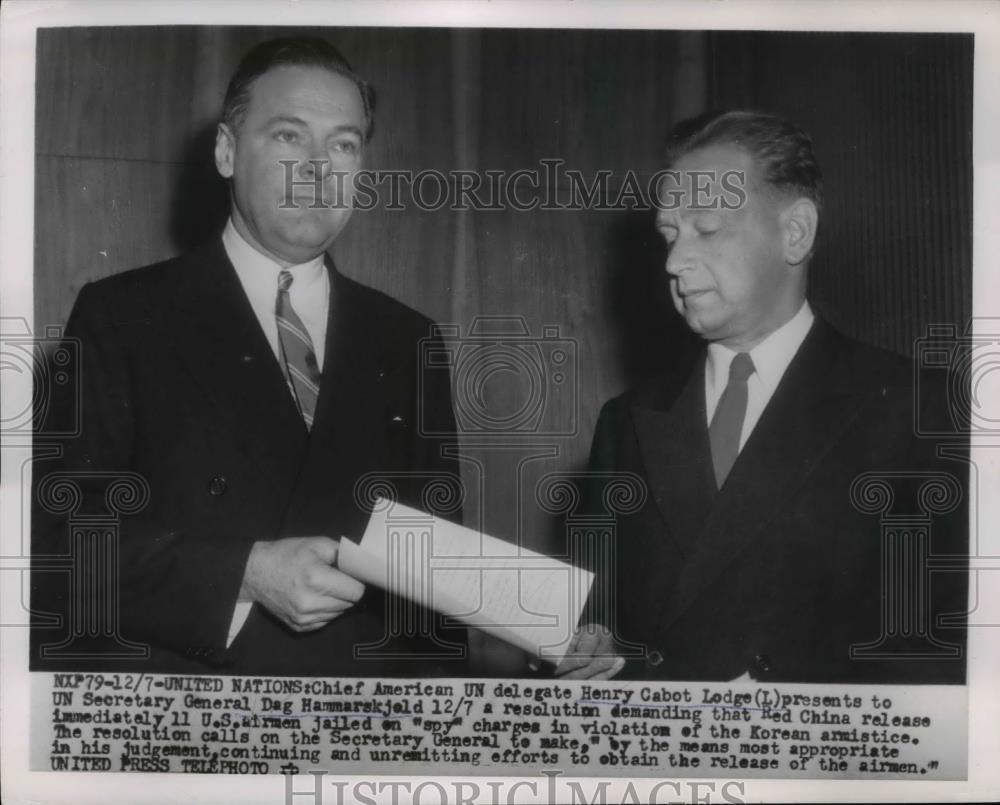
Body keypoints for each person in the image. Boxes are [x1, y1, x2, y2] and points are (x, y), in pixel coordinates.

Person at [31, 37, 465, 676]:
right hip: (187, 713)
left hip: (361, 721)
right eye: (289, 136)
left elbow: (435, 591)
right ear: (227, 152)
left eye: (344, 145)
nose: (317, 169)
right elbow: (58, 550)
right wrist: (243, 574)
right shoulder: (121, 316)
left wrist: (544, 636)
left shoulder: (409, 339)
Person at [556, 110, 967, 684]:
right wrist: (587, 647)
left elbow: (950, 647)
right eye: (669, 236)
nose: (674, 262)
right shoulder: (624, 422)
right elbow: (597, 623)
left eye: (707, 230)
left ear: (795, 233)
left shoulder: (919, 408)